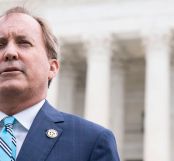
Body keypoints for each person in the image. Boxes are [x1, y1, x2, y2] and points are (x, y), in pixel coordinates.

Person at [0, 6, 120, 161]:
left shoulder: (92, 142)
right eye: (0, 44)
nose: (9, 52)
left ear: (52, 67)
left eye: (24, 43)